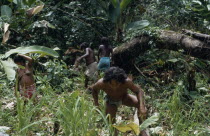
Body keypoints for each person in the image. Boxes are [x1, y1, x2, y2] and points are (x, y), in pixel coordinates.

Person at [89, 67, 148, 136]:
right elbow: (94, 90)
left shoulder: (127, 82)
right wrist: (96, 103)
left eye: (117, 84)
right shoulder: (101, 83)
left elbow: (138, 91)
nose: (115, 86)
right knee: (111, 123)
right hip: (111, 101)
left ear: (121, 81)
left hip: (125, 98)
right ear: (108, 81)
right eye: (112, 84)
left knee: (142, 107)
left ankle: (142, 128)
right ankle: (114, 134)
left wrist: (141, 106)